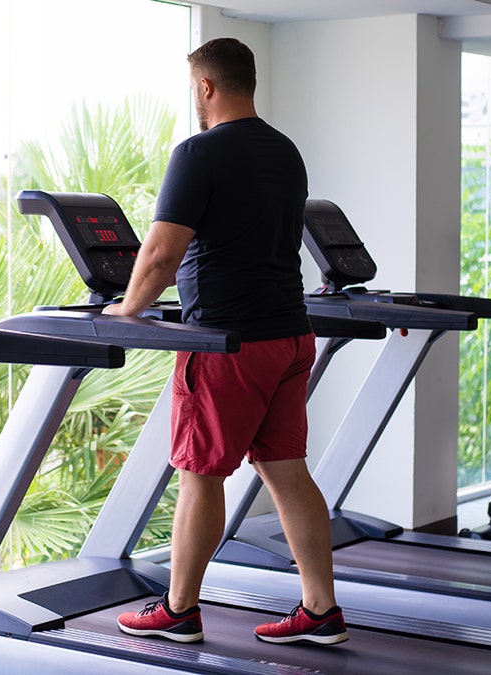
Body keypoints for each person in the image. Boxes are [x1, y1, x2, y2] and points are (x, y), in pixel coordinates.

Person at [107, 37, 346, 646]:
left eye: (194, 88)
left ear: (206, 87)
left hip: (228, 342)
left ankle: (180, 609)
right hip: (290, 335)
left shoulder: (199, 152)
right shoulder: (285, 151)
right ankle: (321, 612)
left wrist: (125, 311)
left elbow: (161, 253)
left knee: (200, 473)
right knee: (287, 470)